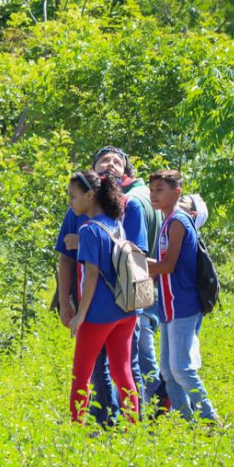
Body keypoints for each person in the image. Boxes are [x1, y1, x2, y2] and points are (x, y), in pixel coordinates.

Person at [65, 170, 140, 423]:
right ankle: (133, 428)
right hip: (125, 310)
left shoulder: (88, 230)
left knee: (80, 375)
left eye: (73, 196)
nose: (70, 202)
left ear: (89, 195)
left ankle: (75, 429)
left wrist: (80, 316)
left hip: (99, 314)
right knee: (123, 372)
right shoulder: (115, 223)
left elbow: (92, 275)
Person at [147, 170, 218, 422]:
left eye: (159, 189)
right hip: (168, 306)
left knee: (182, 369)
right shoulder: (167, 220)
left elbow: (168, 266)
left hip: (183, 305)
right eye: (151, 189)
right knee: (167, 370)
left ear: (176, 192)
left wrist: (136, 265)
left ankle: (211, 420)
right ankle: (186, 421)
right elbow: (163, 265)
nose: (153, 194)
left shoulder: (178, 221)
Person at [86, 149, 149, 425]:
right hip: (89, 300)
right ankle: (103, 420)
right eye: (104, 159)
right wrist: (66, 300)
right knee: (95, 366)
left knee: (125, 365)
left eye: (117, 161)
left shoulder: (130, 206)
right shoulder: (80, 204)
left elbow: (137, 252)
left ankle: (133, 423)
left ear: (126, 173)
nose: (110, 164)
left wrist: (90, 240)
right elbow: (66, 256)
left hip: (123, 300)